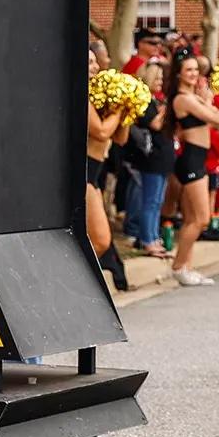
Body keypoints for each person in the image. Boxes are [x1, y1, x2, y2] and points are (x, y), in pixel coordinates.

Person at [166, 54, 219, 286]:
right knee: (200, 219)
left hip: (199, 159)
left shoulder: (193, 97)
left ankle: (186, 266)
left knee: (192, 219)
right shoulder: (183, 99)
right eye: (188, 70)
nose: (194, 74)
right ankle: (178, 266)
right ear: (178, 73)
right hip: (191, 160)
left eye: (196, 69)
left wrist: (211, 99)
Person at [86, 52, 132, 289]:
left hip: (96, 174)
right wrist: (119, 108)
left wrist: (127, 110)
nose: (94, 66)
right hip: (84, 174)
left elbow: (120, 138)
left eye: (95, 61)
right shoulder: (82, 96)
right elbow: (101, 131)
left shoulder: (99, 97)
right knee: (100, 240)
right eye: (89, 62)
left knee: (99, 240)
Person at [124, 61, 174, 258]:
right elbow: (154, 124)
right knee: (150, 201)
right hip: (151, 158)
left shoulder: (155, 100)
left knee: (158, 201)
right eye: (158, 78)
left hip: (163, 157)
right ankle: (147, 239)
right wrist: (166, 109)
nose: (161, 82)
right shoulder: (144, 101)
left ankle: (154, 236)